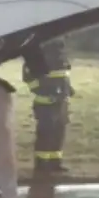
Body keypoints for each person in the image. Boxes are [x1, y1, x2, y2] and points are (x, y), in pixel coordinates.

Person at [21, 40, 75, 177]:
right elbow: (28, 76)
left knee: (58, 133)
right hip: (46, 103)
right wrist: (42, 91)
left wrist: (68, 89)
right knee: (46, 134)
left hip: (61, 102)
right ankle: (42, 165)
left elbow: (63, 75)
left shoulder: (61, 54)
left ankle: (55, 163)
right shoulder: (38, 54)